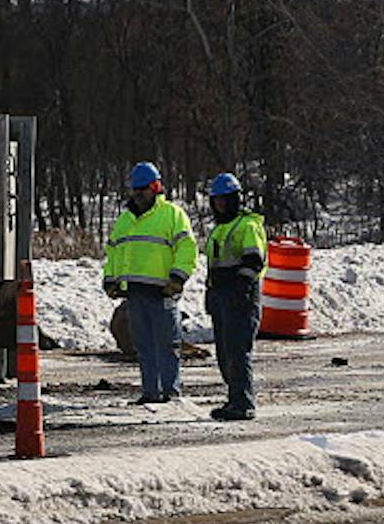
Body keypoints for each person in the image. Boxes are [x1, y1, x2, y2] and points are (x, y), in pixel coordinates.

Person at [102, 161, 197, 405]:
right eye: (135, 189)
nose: (138, 194)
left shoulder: (172, 215)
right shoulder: (125, 220)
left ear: (155, 187)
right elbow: (114, 251)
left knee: (167, 344)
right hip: (134, 293)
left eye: (142, 189)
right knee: (143, 346)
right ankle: (151, 392)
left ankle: (170, 392)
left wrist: (177, 278)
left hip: (162, 292)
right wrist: (110, 279)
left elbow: (187, 249)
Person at [203, 172, 266, 421]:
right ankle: (234, 399)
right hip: (221, 297)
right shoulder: (220, 229)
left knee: (237, 352)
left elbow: (254, 260)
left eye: (225, 200)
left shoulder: (247, 226)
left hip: (241, 297)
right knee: (225, 353)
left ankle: (243, 403)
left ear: (235, 199)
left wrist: (240, 287)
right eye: (217, 200)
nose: (220, 205)